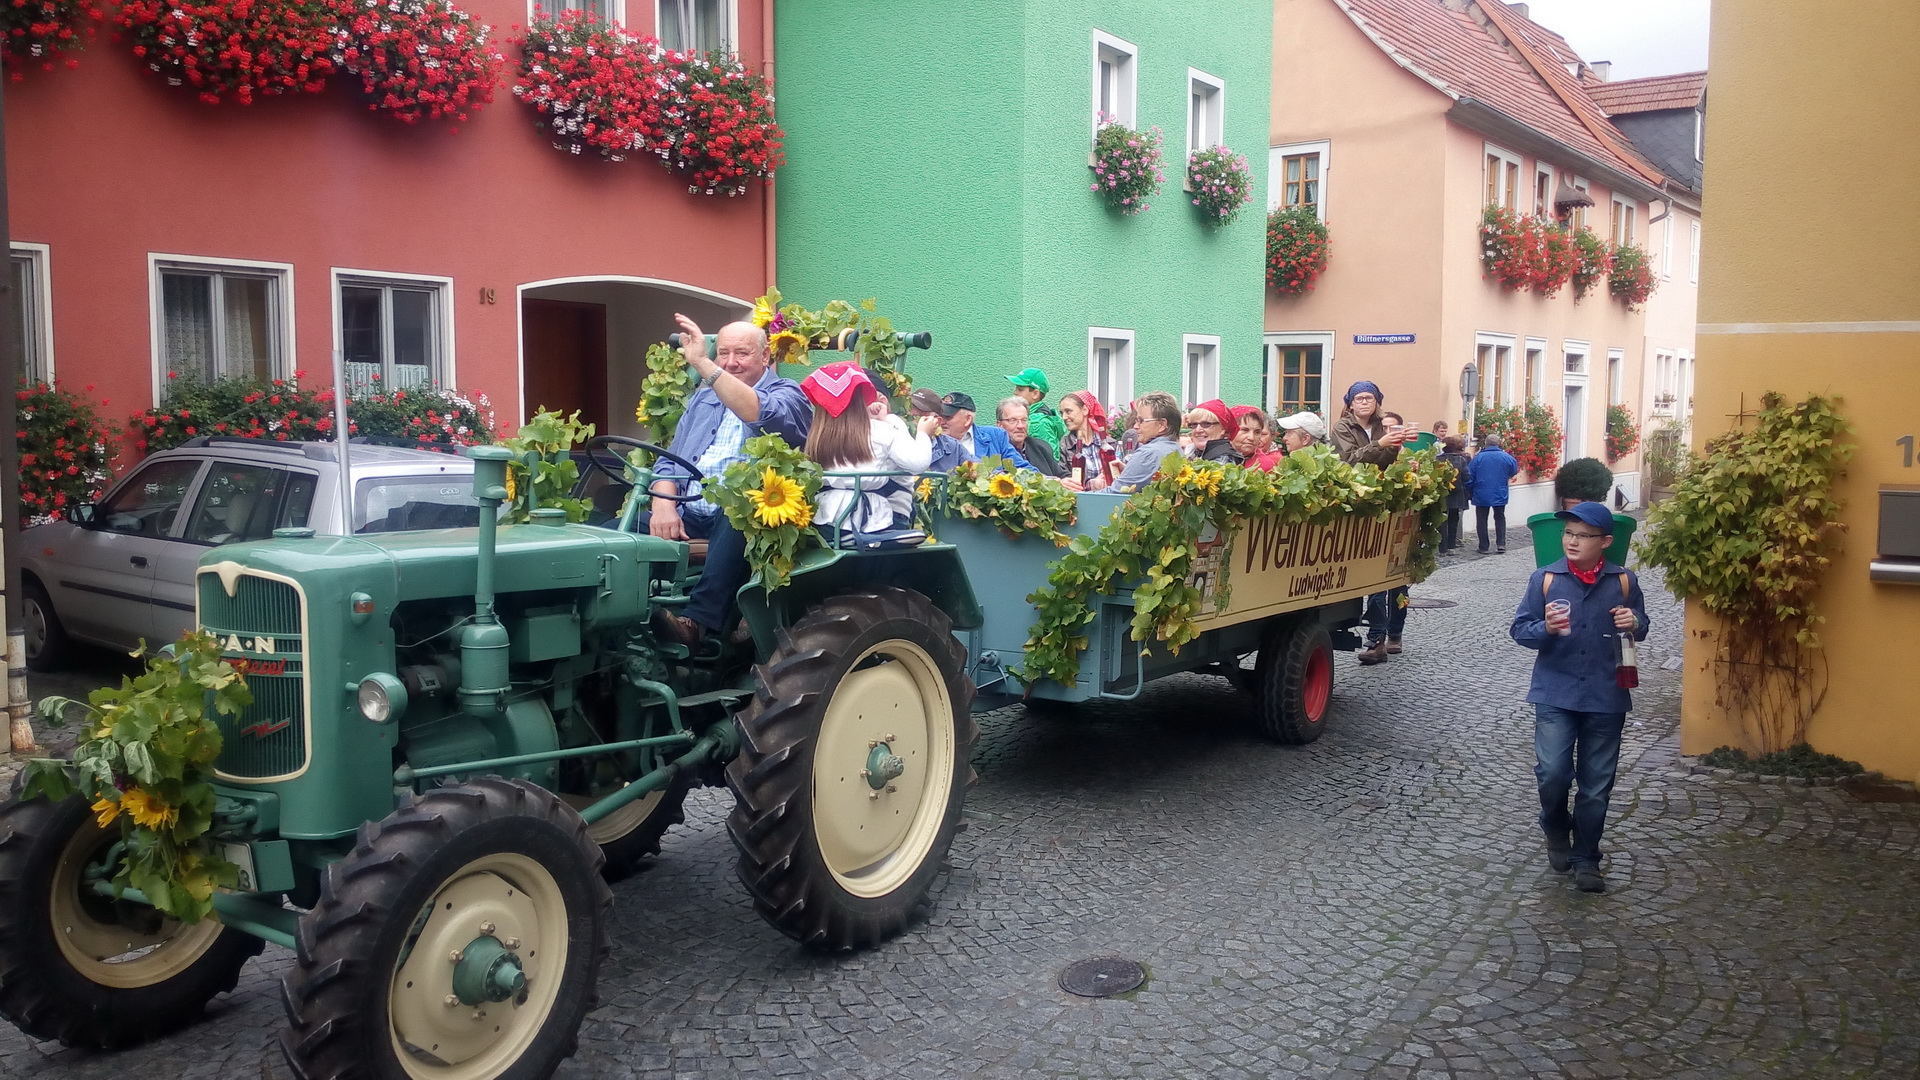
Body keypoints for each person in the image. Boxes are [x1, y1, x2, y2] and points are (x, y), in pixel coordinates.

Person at [1510, 501, 1651, 894]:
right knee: (1552, 774)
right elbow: (1520, 630)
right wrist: (1546, 628)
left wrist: (1634, 621)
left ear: (1604, 542)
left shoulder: (1623, 581)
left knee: (1596, 786)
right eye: (1568, 534)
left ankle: (1587, 857)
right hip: (1555, 692)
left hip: (1607, 695)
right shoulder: (1545, 578)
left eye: (1582, 536)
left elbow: (1640, 625)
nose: (1572, 541)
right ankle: (1555, 825)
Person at [648, 314, 810, 646]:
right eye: (723, 353)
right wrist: (663, 504)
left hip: (746, 516)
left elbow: (760, 413)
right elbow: (669, 462)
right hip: (687, 512)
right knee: (611, 532)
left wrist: (705, 365)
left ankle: (696, 624)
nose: (730, 362)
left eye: (742, 354)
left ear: (765, 357)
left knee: (740, 510)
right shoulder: (702, 398)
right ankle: (618, 624)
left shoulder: (787, 393)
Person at [802, 362, 937, 534]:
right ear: (860, 400)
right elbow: (918, 463)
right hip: (870, 522)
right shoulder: (881, 430)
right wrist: (922, 433)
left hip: (824, 518)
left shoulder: (817, 436)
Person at [1110, 392, 1183, 492]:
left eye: (1141, 420)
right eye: (1136, 421)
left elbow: (1115, 494)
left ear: (1162, 425)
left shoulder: (1148, 453)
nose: (1135, 426)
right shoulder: (1175, 448)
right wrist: (1129, 470)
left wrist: (1082, 495)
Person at [940, 391, 1030, 469]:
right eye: (940, 416)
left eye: (948, 417)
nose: (941, 421)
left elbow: (1022, 470)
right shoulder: (933, 440)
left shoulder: (996, 436)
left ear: (967, 420)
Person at [1331, 381, 1408, 466]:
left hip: (1378, 477)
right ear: (1351, 405)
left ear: (1376, 403)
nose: (1364, 402)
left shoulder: (1380, 425)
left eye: (1369, 398)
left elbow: (1385, 463)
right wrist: (1379, 445)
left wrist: (1393, 446)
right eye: (1359, 399)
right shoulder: (1342, 427)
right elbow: (1349, 460)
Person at [1057, 390, 1121, 490]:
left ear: (1085, 410)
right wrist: (1091, 484)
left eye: (1068, 411)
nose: (1064, 417)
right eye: (1062, 413)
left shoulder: (1110, 444)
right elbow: (1065, 481)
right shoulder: (1063, 446)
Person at [1469, 434, 1521, 553]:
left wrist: (1470, 489)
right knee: (1500, 517)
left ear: (1486, 444)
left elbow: (1470, 475)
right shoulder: (1506, 457)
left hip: (1481, 492)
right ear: (1498, 444)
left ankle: (1483, 546)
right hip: (1499, 491)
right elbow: (1513, 470)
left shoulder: (1478, 458)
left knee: (1481, 519)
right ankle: (1501, 544)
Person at [997, 397, 1064, 477]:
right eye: (1013, 420)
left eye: (1024, 420)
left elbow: (1061, 475)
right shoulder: (994, 452)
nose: (1020, 426)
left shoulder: (1041, 447)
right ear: (999, 425)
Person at [910, 388, 973, 472]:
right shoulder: (897, 440)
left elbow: (979, 469)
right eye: (907, 415)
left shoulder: (953, 447)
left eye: (916, 416)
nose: (910, 421)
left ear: (937, 421)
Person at [1005, 368, 1066, 453]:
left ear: (1035, 394)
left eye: (1020, 389)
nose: (1015, 392)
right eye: (1016, 388)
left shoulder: (1038, 423)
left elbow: (1049, 458)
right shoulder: (1031, 416)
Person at [1438, 435, 1472, 552]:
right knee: (1453, 520)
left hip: (1442, 493)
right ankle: (1451, 546)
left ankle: (1442, 547)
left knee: (1442, 520)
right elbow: (1467, 477)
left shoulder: (1438, 460)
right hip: (1457, 494)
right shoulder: (1461, 460)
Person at [1186, 399, 1243, 465]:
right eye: (1194, 424)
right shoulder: (1192, 453)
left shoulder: (1224, 458)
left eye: (1206, 424)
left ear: (1223, 429)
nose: (1198, 430)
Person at [1231, 406, 1283, 471]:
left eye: (1257, 432)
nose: (1251, 437)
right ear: (1229, 431)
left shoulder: (1266, 467)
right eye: (1245, 430)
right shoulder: (1218, 457)